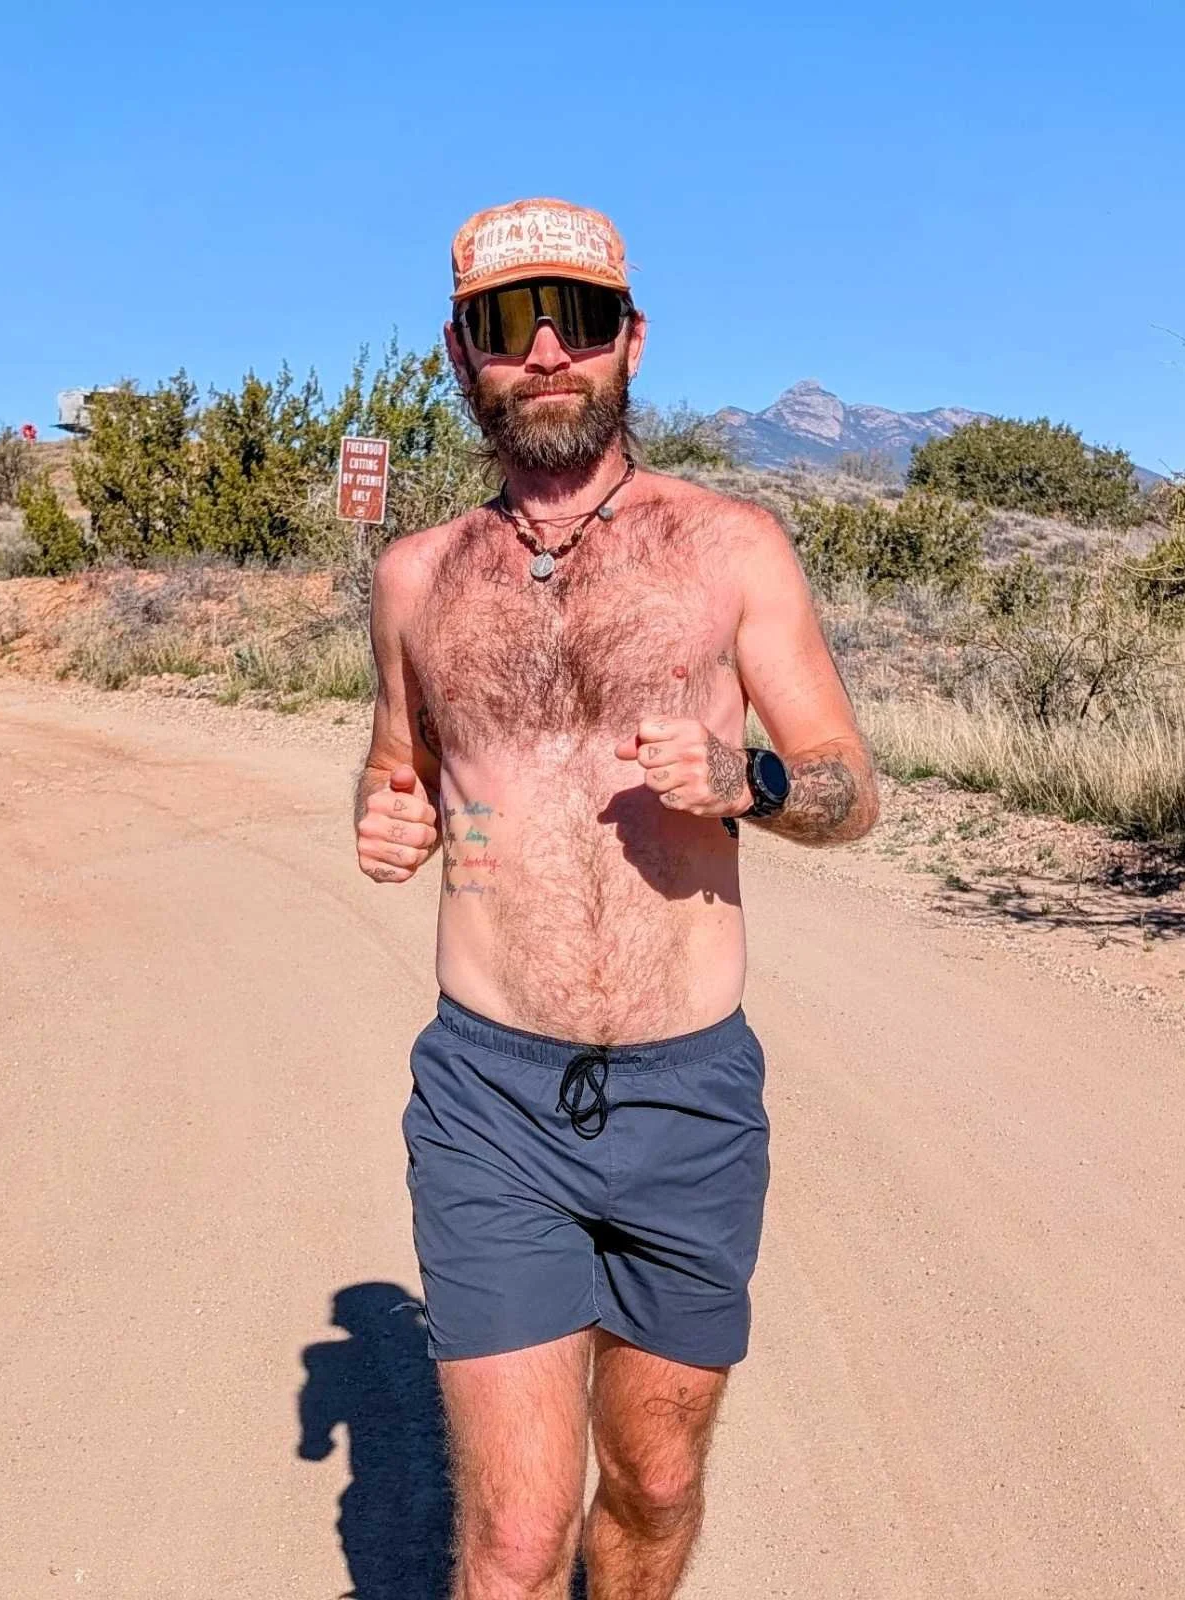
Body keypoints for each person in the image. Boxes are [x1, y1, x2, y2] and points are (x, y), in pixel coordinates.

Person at [353, 196, 879, 1600]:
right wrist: (386, 810)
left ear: (629, 340)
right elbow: (402, 764)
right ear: (460, 355)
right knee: (517, 1542)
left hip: (687, 1099)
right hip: (491, 1102)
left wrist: (745, 781)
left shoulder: (731, 547)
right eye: (503, 325)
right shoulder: (413, 579)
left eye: (574, 319)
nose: (544, 351)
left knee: (653, 1487)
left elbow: (848, 784)